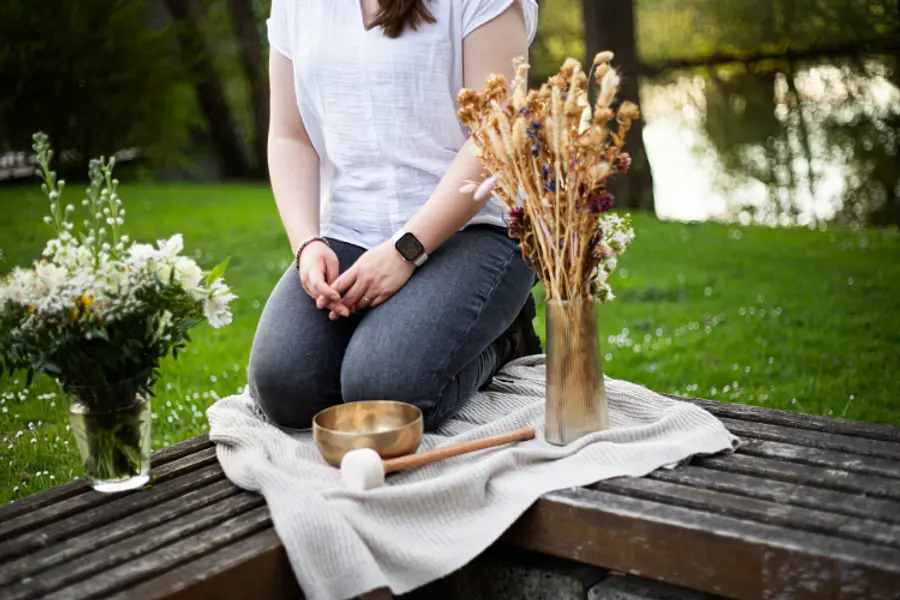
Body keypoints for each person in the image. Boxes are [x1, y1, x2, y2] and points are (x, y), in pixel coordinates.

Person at [248, 0, 543, 432]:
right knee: (285, 388)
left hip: (475, 228)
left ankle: (505, 340)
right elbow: (290, 136)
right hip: (350, 229)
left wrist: (405, 250)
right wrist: (307, 243)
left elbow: (494, 134)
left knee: (382, 393)